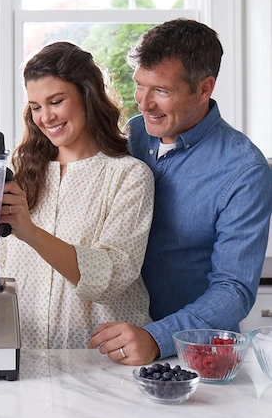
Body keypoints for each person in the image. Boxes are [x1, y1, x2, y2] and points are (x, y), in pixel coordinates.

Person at [89, 18, 272, 364]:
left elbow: (233, 290)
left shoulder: (244, 171)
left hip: (192, 356)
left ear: (204, 89)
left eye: (161, 90)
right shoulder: (135, 136)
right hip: (115, 343)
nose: (144, 103)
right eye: (139, 85)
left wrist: (157, 339)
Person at [0, 41, 154, 349]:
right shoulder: (22, 169)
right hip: (24, 353)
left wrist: (29, 231)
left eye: (56, 101)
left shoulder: (129, 176)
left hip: (103, 358)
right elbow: (1, 267)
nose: (46, 117)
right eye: (36, 107)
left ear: (87, 95)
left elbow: (111, 275)